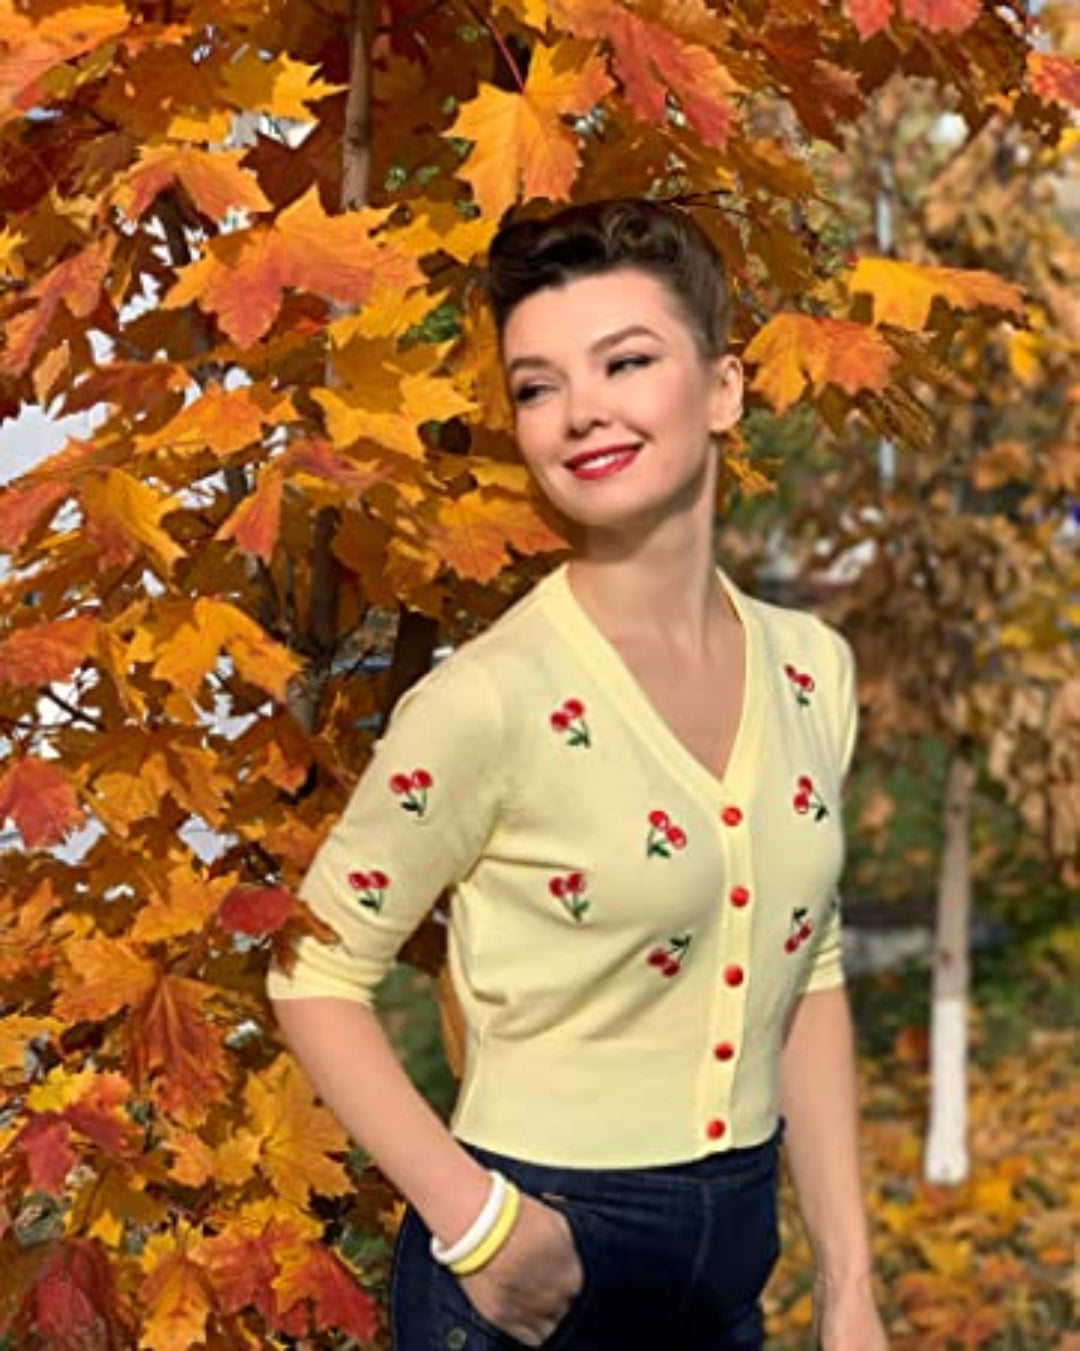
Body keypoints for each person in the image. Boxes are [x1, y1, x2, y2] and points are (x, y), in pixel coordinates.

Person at [267, 198, 889, 1350]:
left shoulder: (813, 671)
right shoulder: (488, 700)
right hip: (531, 1262)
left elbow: (810, 962)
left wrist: (849, 1283)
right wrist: (480, 1226)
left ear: (724, 389)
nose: (580, 410)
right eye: (537, 385)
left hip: (731, 1269)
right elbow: (313, 970)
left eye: (627, 361)